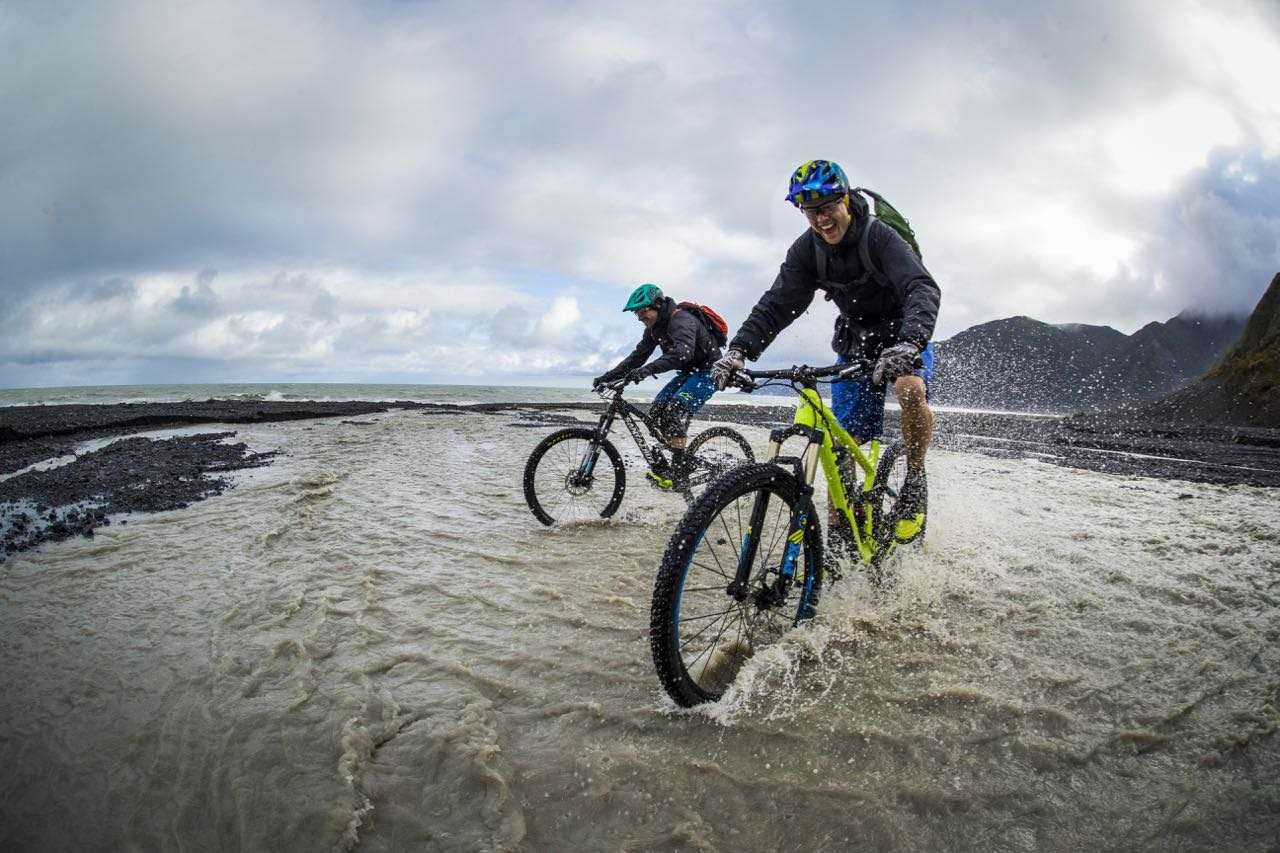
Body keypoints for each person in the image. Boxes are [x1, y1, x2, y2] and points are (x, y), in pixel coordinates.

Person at [711, 159, 940, 546]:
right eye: (809, 211)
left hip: (903, 334)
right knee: (838, 447)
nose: (820, 219)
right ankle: (839, 533)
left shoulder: (879, 236)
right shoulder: (807, 251)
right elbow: (777, 304)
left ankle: (914, 477)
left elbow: (922, 287)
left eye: (827, 207)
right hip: (857, 343)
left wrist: (910, 343)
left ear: (846, 199)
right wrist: (738, 351)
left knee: (910, 390)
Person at [593, 283, 723, 488]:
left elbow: (683, 354)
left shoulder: (681, 319)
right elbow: (637, 358)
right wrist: (607, 377)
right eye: (636, 313)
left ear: (658, 304)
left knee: (672, 412)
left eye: (643, 311)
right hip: (690, 372)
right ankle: (677, 456)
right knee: (656, 411)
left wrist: (647, 370)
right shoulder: (653, 330)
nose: (640, 317)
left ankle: (678, 471)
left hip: (711, 372)